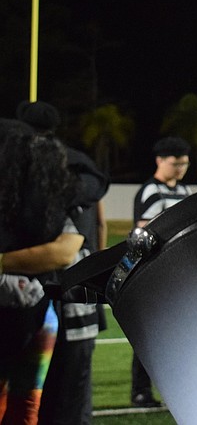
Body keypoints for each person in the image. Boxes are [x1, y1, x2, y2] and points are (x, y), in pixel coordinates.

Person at [15, 101, 110, 425]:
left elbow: (63, 248)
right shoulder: (82, 166)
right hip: (80, 292)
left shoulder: (25, 165)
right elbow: (100, 224)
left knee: (32, 395)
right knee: (72, 396)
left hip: (39, 293)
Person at [0, 118, 84, 425]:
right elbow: (65, 248)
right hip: (38, 311)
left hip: (27, 312)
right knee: (26, 407)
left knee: (23, 405)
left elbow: (65, 250)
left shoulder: (31, 199)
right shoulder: (40, 197)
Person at [130, 136, 191, 408]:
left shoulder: (184, 190)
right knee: (150, 336)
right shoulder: (150, 191)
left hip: (178, 272)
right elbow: (146, 233)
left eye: (184, 163)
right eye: (175, 163)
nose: (180, 168)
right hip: (155, 272)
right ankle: (141, 391)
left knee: (176, 336)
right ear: (159, 161)